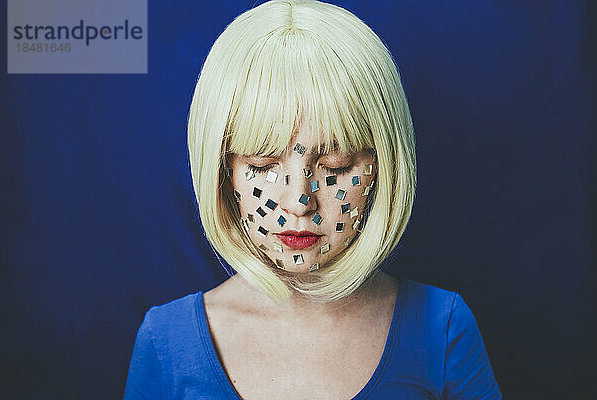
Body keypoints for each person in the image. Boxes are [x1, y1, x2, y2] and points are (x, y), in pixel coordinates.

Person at [124, 0, 502, 399]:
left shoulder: (440, 328)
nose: (299, 201)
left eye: (335, 166)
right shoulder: (166, 342)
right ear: (222, 171)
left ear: (383, 166)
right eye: (263, 164)